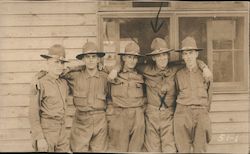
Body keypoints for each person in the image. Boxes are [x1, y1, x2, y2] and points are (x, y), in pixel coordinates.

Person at [62, 42, 108, 152]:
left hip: (100, 121)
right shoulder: (75, 76)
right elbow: (60, 73)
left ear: (98, 60)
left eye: (94, 57)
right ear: (83, 60)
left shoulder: (105, 77)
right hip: (81, 121)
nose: (91, 60)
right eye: (87, 57)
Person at [174, 36, 212, 153]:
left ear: (196, 54)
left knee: (200, 150)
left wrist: (204, 114)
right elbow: (176, 93)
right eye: (185, 54)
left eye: (191, 53)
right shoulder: (178, 74)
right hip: (182, 114)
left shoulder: (205, 73)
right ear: (183, 56)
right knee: (182, 149)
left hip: (200, 113)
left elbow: (209, 96)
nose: (188, 56)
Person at [29, 44, 69, 152]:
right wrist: (39, 137)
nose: (60, 66)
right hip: (46, 132)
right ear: (48, 62)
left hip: (62, 132)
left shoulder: (64, 83)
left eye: (62, 63)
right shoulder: (40, 83)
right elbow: (33, 113)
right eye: (56, 62)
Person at [107, 42, 145, 152]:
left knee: (136, 149)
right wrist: (116, 68)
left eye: (135, 58)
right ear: (124, 58)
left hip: (137, 115)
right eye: (129, 57)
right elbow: (91, 67)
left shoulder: (142, 74)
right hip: (120, 114)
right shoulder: (112, 72)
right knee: (119, 149)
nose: (132, 60)